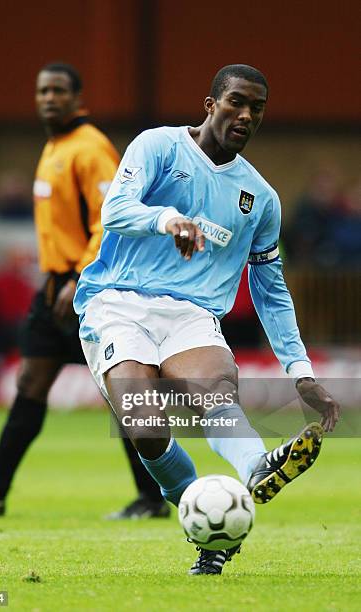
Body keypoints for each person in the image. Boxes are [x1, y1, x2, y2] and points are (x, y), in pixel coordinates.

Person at [73, 64, 340, 574]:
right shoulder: (159, 146)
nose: (246, 114)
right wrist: (166, 218)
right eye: (236, 102)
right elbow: (115, 209)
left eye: (256, 108)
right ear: (210, 104)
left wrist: (300, 370)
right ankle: (206, 520)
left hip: (192, 312)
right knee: (145, 424)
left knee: (214, 388)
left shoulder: (260, 199)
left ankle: (256, 469)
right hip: (118, 301)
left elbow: (271, 289)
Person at [0, 62, 168, 519]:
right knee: (30, 383)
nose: (48, 98)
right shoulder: (54, 146)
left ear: (77, 97)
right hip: (54, 286)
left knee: (120, 393)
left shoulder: (91, 149)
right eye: (42, 91)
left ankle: (153, 499)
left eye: (58, 91)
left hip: (87, 287)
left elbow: (112, 220)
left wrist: (79, 277)